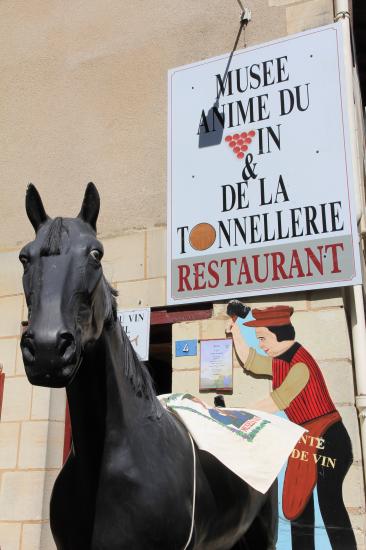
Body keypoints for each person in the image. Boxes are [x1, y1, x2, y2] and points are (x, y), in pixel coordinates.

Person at [226, 305, 356, 550]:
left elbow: (275, 401)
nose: (260, 344)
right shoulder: (280, 361)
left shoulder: (299, 365)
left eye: (263, 338)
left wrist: (233, 414)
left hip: (329, 438)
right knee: (299, 507)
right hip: (307, 437)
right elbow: (251, 362)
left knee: (330, 505)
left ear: (280, 333)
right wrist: (235, 331)